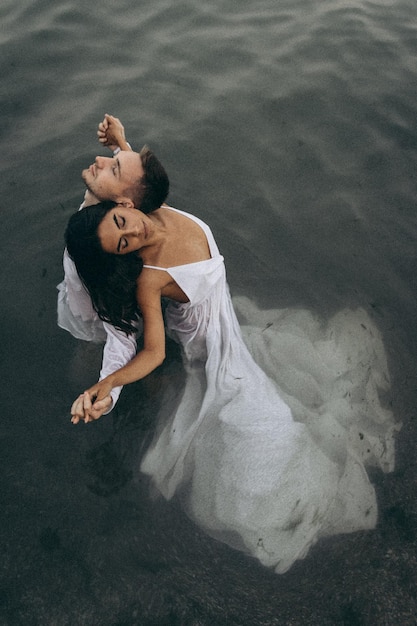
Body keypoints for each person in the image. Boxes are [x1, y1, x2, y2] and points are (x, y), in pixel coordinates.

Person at [64, 186, 399, 573]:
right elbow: (153, 353)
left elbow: (129, 171)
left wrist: (111, 156)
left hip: (233, 336)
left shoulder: (155, 204)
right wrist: (106, 386)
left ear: (125, 204)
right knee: (266, 435)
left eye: (123, 222)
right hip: (213, 361)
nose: (133, 235)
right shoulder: (149, 280)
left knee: (287, 408)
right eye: (123, 244)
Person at [57, 115, 169, 419]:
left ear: (126, 204)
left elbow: (121, 337)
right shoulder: (109, 217)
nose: (99, 159)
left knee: (118, 347)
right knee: (90, 350)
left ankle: (147, 380)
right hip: (89, 312)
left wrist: (121, 146)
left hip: (108, 304)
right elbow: (118, 334)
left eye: (114, 166)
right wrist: (121, 146)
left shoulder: (117, 218)